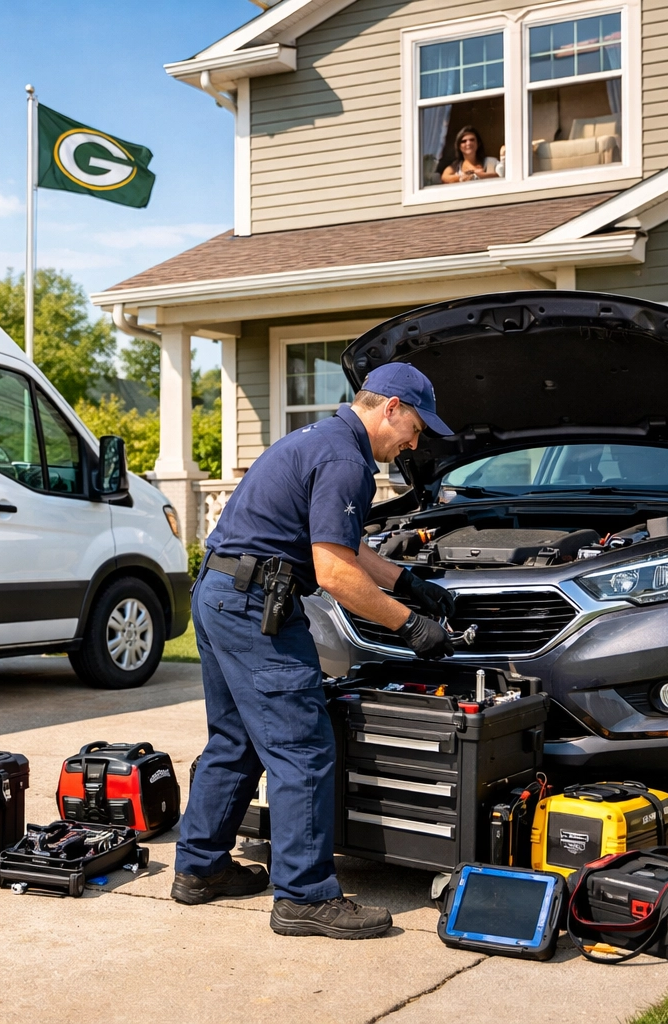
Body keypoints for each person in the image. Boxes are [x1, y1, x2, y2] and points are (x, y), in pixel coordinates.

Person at [171, 362, 457, 940]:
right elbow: (332, 572)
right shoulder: (347, 460)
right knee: (302, 746)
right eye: (415, 427)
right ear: (391, 408)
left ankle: (200, 869)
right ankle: (304, 896)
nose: (414, 442)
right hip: (258, 609)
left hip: (222, 592)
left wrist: (406, 583)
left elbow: (341, 545)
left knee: (236, 738)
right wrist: (410, 627)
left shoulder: (320, 441)